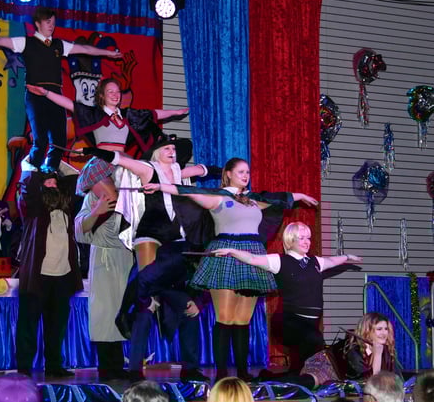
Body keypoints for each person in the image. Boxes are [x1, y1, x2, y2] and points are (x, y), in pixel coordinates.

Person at [142, 158, 318, 381]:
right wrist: (160, 186)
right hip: (225, 255)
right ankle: (222, 374)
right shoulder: (218, 197)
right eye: (241, 172)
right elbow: (187, 191)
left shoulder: (253, 200)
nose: (246, 176)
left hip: (252, 256)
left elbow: (277, 199)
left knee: (242, 320)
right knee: (225, 318)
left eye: (248, 172)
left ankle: (243, 373)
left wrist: (299, 196)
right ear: (228, 174)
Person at [83, 137, 211, 382]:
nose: (172, 151)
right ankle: (135, 369)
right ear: (156, 152)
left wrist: (225, 174)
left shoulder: (177, 172)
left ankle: (190, 367)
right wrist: (94, 151)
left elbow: (201, 170)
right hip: (150, 233)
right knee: (146, 301)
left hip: (175, 237)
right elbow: (120, 160)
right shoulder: (147, 169)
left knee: (186, 304)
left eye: (174, 149)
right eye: (167, 148)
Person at [0, 7, 122, 172]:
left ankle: (50, 171)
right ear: (37, 23)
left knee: (59, 140)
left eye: (53, 23)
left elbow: (85, 49)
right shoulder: (27, 42)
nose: (51, 26)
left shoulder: (58, 45)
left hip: (55, 95)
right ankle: (32, 169)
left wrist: (107, 53)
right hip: (35, 95)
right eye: (48, 22)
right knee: (40, 139)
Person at [214, 221, 363, 376]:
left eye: (308, 238)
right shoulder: (280, 261)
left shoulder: (315, 261)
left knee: (303, 365)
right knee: (315, 340)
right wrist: (232, 251)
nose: (307, 242)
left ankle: (278, 378)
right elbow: (252, 258)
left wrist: (347, 257)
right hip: (288, 322)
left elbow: (332, 261)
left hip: (310, 324)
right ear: (290, 240)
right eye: (302, 238)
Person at [26, 77, 189, 201]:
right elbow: (69, 104)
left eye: (117, 92)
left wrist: (176, 112)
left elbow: (153, 114)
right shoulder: (94, 114)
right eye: (110, 92)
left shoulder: (128, 115)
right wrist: (46, 93)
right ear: (102, 95)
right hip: (103, 162)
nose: (115, 95)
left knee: (136, 199)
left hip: (124, 162)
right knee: (111, 200)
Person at [15, 158, 83, 377]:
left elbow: (74, 178)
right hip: (37, 276)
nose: (53, 185)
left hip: (62, 276)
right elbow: (28, 181)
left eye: (55, 182)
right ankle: (24, 368)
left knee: (57, 326)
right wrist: (37, 160)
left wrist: (56, 160)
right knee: (28, 325)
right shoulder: (33, 208)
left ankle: (54, 366)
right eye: (48, 182)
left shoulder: (66, 208)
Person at [74, 172, 133, 381]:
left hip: (125, 257)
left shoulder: (129, 194)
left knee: (121, 309)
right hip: (103, 257)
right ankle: (106, 366)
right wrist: (96, 211)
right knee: (104, 312)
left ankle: (118, 363)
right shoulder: (94, 195)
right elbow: (79, 229)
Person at [250, 312, 398, 389]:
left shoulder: (385, 349)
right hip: (325, 364)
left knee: (295, 376)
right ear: (367, 331)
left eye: (386, 329)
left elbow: (392, 376)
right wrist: (377, 355)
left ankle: (266, 376)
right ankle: (265, 383)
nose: (384, 333)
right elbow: (371, 382)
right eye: (379, 329)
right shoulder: (353, 347)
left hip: (339, 376)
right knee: (309, 383)